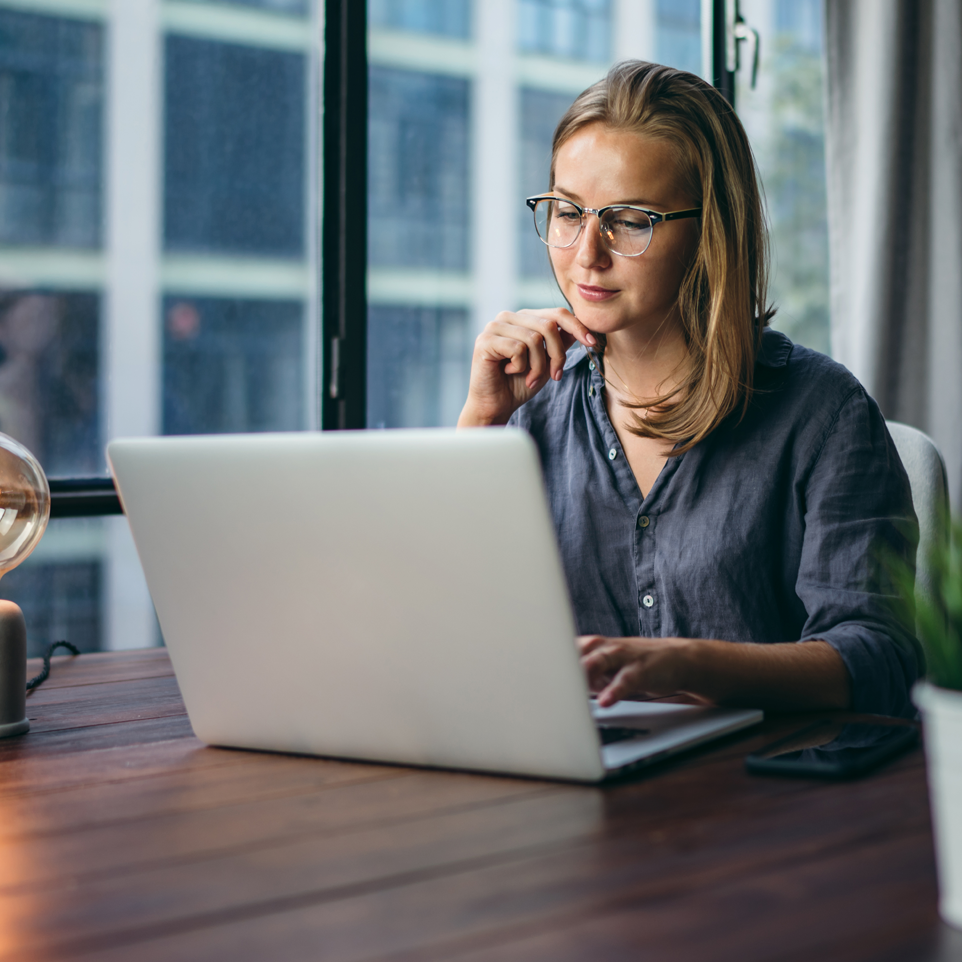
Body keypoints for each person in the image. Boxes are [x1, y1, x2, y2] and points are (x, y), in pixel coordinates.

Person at [457, 60, 920, 717]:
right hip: (583, 785)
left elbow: (880, 658)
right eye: (567, 212)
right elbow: (444, 635)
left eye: (631, 220)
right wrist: (479, 421)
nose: (586, 252)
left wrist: (690, 663)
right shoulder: (531, 408)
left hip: (769, 794)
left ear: (709, 232)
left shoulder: (823, 412)